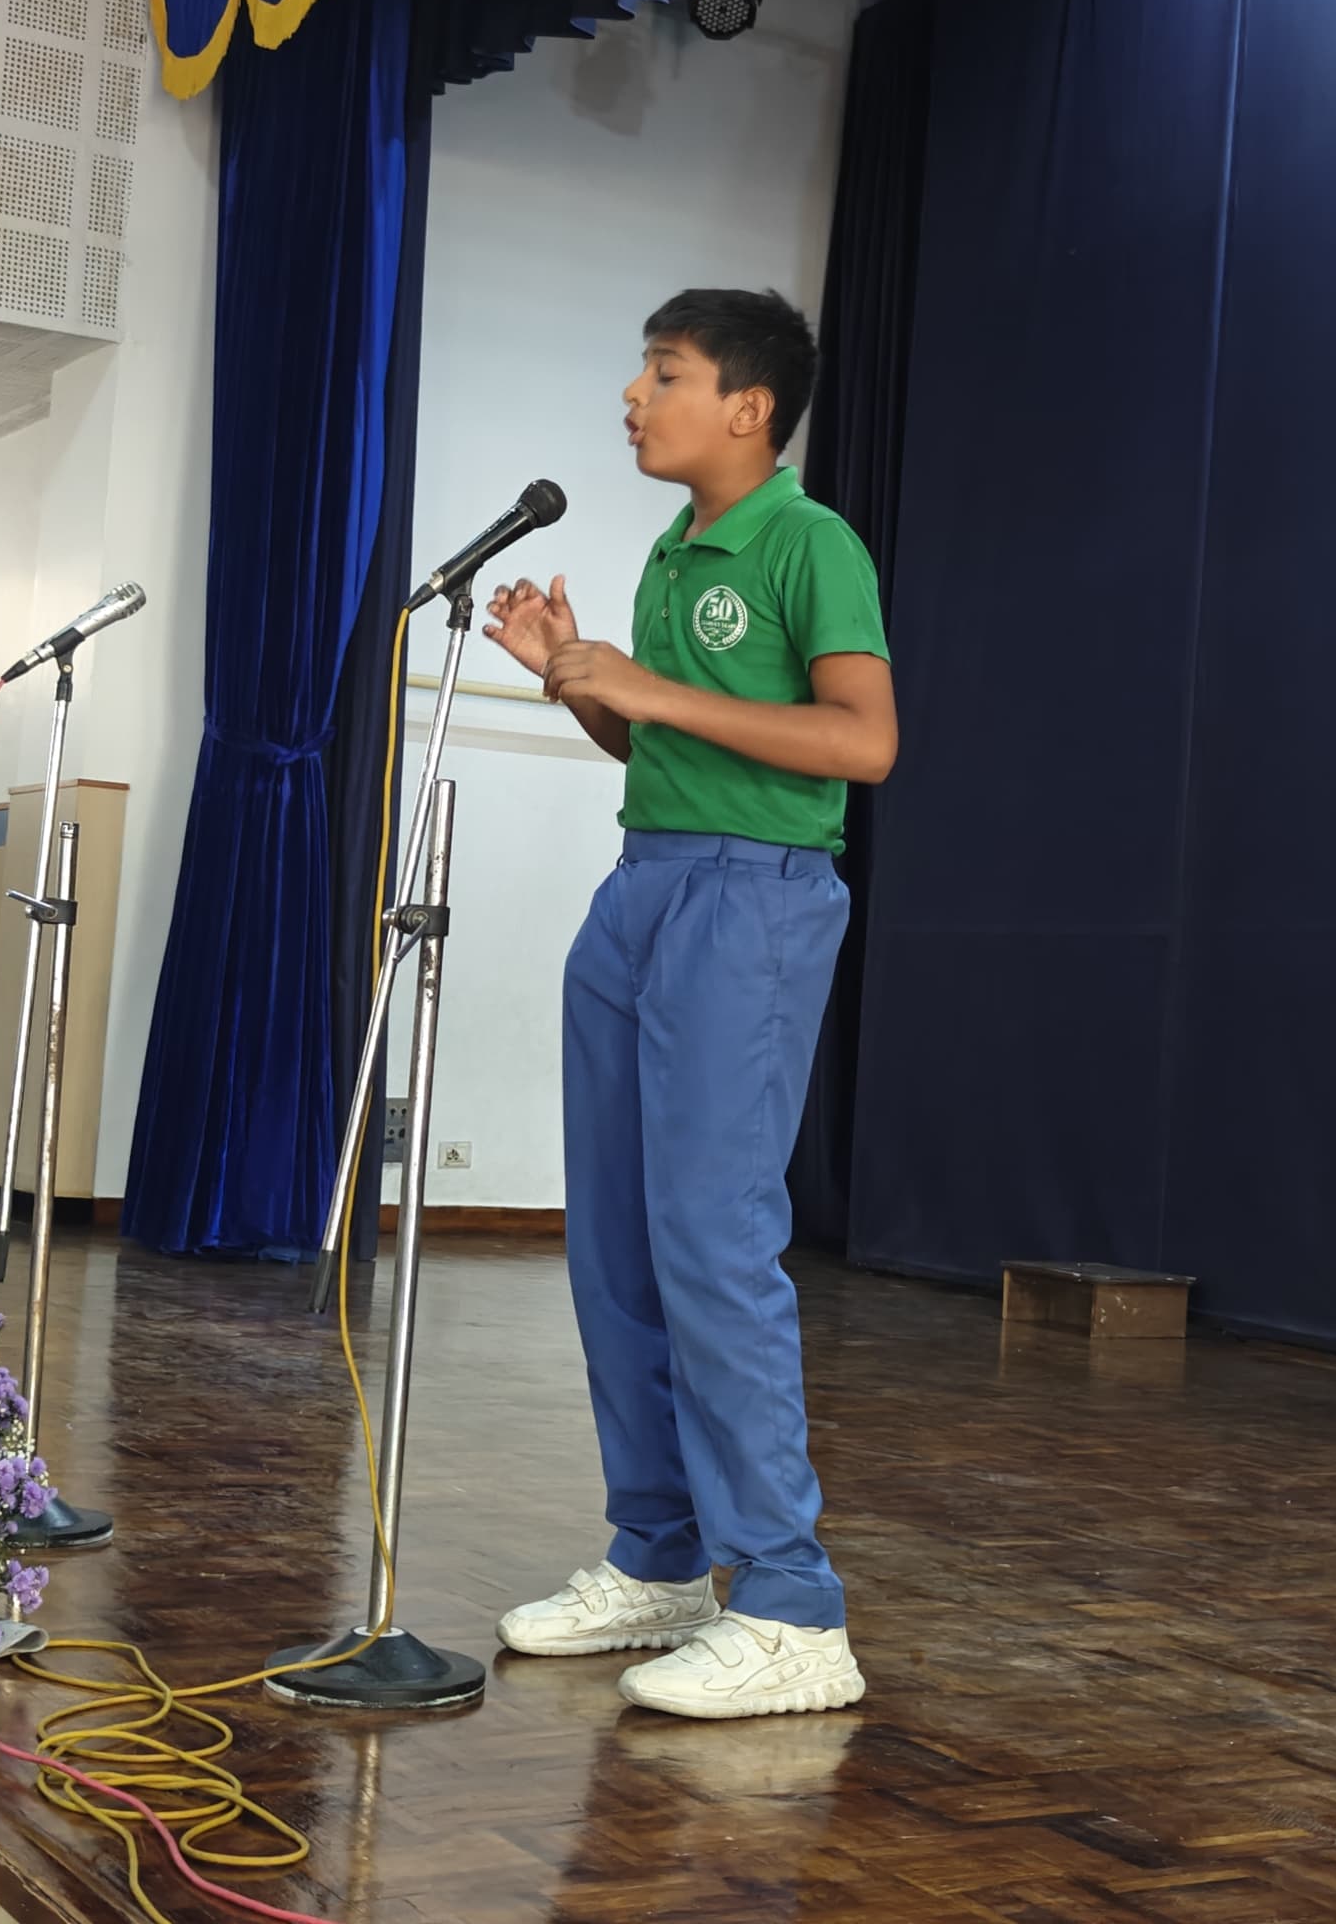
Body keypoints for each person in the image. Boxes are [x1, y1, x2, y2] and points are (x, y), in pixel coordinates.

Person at [476, 288, 897, 1720]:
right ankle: (657, 1557)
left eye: (664, 374)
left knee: (715, 1242)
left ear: (748, 408)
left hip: (751, 901)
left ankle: (791, 1605)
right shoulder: (672, 549)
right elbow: (661, 746)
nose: (634, 396)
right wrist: (576, 681)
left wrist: (649, 690)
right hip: (644, 886)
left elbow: (863, 742)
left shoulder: (806, 540)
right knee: (616, 1242)